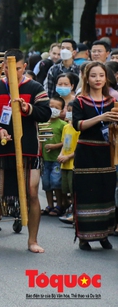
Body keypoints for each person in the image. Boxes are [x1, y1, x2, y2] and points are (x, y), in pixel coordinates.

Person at [0, 49, 51, 253]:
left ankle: (32, 240)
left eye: (18, 68)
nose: (13, 72)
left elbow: (45, 113)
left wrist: (29, 109)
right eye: (9, 68)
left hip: (28, 148)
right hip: (2, 148)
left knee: (32, 193)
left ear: (24, 67)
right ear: (3, 67)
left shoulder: (35, 87)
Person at [71, 62, 117, 250]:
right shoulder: (79, 101)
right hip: (86, 152)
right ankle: (84, 236)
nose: (97, 79)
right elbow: (78, 125)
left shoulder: (112, 102)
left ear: (106, 78)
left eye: (101, 75)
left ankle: (104, 234)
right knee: (86, 193)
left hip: (106, 151)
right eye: (93, 76)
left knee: (105, 192)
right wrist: (101, 118)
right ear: (87, 79)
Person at [40, 96, 66, 217]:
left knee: (56, 182)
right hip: (45, 159)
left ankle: (59, 205)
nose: (53, 109)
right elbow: (40, 139)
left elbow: (66, 142)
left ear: (61, 111)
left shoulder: (62, 125)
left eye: (57, 108)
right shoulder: (43, 123)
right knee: (46, 183)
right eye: (51, 107)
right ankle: (49, 205)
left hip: (57, 159)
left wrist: (55, 146)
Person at [57, 101, 78, 224]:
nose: (69, 113)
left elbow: (79, 148)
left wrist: (68, 157)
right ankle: (70, 211)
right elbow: (64, 144)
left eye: (72, 110)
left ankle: (75, 215)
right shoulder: (65, 127)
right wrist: (61, 155)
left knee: (74, 190)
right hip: (64, 164)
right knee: (66, 190)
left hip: (72, 164)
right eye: (68, 110)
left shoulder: (78, 129)